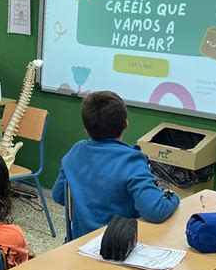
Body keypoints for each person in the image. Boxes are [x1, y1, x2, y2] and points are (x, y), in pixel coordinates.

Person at [52, 91, 180, 239]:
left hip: (78, 245)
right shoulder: (131, 160)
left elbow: (59, 196)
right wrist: (172, 196)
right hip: (117, 248)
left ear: (86, 129)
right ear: (126, 123)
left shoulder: (76, 152)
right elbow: (154, 210)